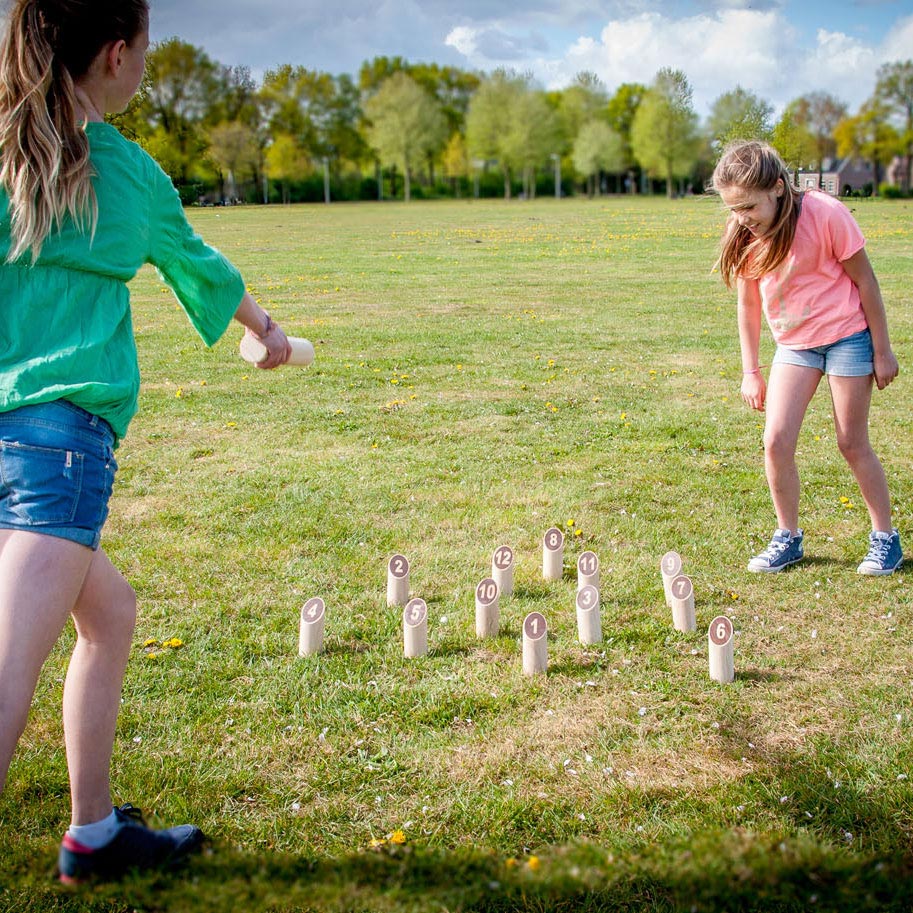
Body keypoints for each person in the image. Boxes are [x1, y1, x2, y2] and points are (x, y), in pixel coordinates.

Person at [0, 0, 291, 883]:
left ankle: (94, 833)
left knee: (110, 615)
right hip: (57, 452)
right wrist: (267, 332)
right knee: (7, 669)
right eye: (146, 55)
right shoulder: (127, 175)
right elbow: (199, 265)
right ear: (116, 55)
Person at [712, 140, 902, 575]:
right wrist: (750, 371)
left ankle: (884, 538)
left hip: (847, 337)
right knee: (775, 440)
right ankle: (788, 537)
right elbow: (747, 306)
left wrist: (882, 349)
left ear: (778, 188)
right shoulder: (744, 233)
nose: (741, 218)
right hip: (795, 345)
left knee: (851, 442)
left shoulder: (824, 213)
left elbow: (867, 282)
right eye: (732, 209)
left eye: (747, 207)